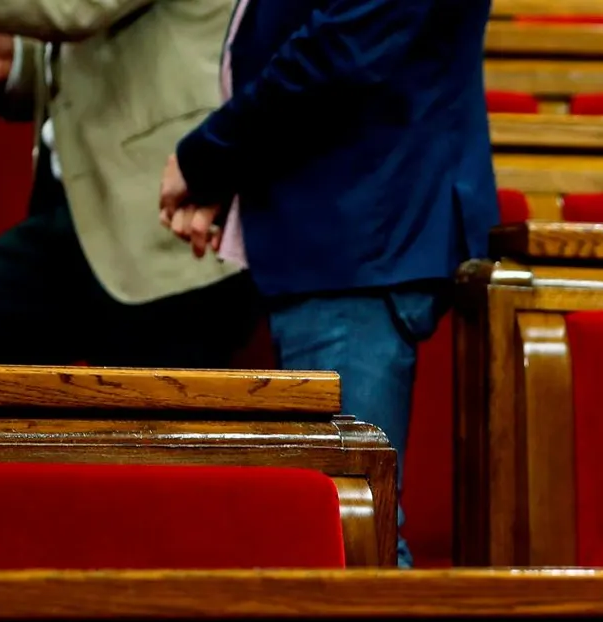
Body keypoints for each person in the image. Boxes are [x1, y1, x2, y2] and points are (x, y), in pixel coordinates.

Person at [156, 0, 497, 566]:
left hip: (364, 230)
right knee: (337, 526)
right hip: (348, 226)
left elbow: (347, 47)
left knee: (350, 536)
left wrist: (209, 157)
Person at [0, 0, 257, 367]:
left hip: (170, 226)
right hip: (83, 215)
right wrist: (20, 63)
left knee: (149, 417)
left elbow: (77, 8)